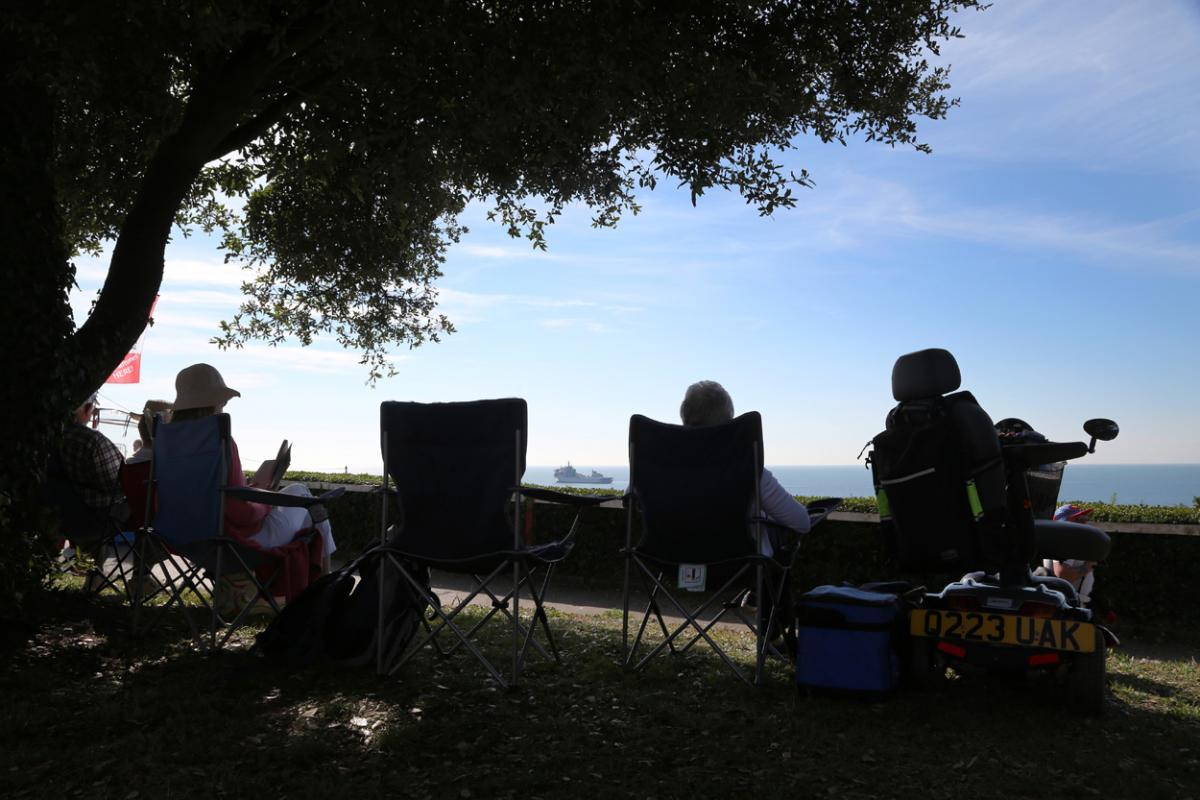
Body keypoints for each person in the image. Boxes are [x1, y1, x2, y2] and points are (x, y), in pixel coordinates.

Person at [168, 363, 336, 572]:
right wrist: (265, 495)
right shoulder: (221, 442)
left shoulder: (167, 443)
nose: (223, 407)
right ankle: (324, 584)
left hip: (181, 537)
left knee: (299, 501)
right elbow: (242, 514)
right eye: (223, 403)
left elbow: (207, 494)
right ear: (213, 402)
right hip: (231, 541)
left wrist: (248, 488)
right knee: (304, 496)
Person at [678, 380, 811, 557]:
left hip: (674, 562)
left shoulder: (661, 467)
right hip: (738, 567)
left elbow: (639, 504)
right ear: (729, 425)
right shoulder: (748, 471)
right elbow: (802, 522)